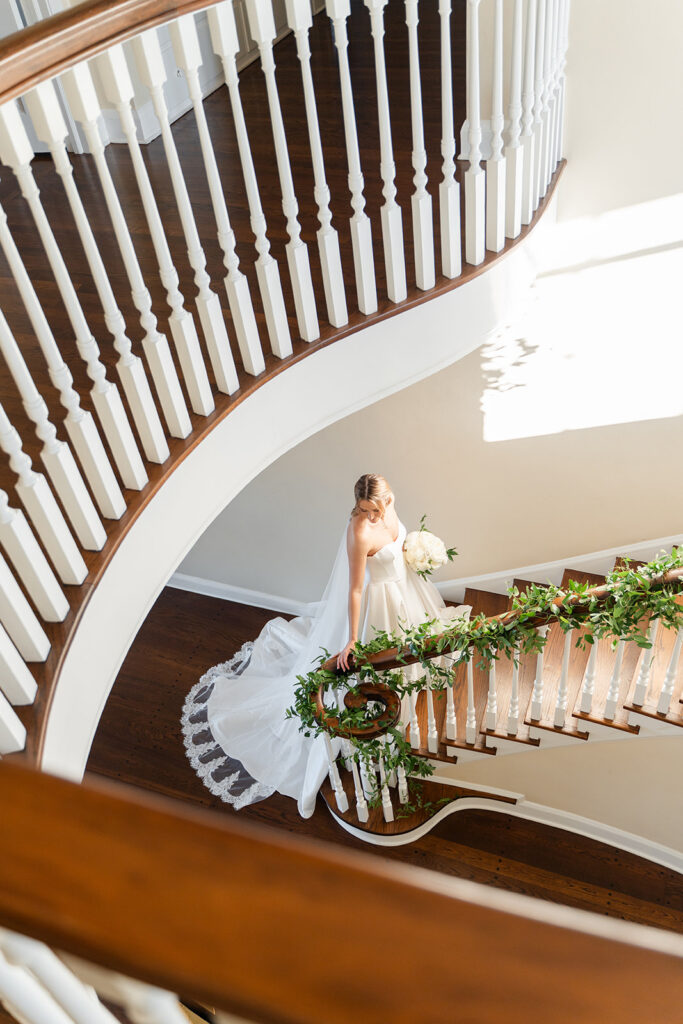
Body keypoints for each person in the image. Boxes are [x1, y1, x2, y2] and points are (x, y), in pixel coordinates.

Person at [181, 474, 470, 818]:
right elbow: (356, 589)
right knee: (377, 662)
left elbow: (399, 545)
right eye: (362, 508)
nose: (368, 515)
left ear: (388, 501)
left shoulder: (390, 512)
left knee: (416, 647)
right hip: (376, 605)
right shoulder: (359, 530)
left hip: (403, 595)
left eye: (373, 508)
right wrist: (350, 639)